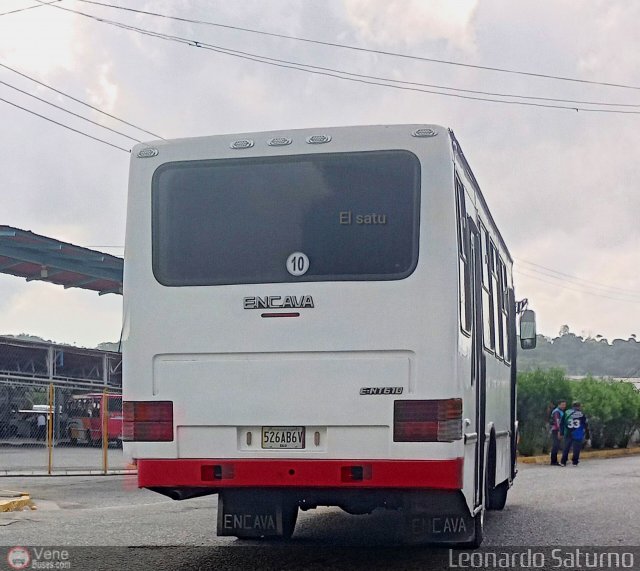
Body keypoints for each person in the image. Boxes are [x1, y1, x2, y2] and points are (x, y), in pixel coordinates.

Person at [561, 401, 589, 466]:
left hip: (568, 432)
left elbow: (562, 423)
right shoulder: (581, 414)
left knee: (566, 447)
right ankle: (575, 462)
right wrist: (587, 435)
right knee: (576, 448)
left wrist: (562, 432)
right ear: (579, 406)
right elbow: (585, 424)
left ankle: (563, 462)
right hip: (578, 433)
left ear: (572, 406)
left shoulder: (567, 412)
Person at [549, 399, 567, 465]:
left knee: (557, 446)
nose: (564, 406)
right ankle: (553, 461)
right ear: (559, 404)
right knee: (555, 446)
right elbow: (557, 423)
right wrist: (559, 431)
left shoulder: (561, 411)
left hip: (559, 430)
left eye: (565, 405)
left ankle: (555, 460)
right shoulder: (557, 412)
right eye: (562, 405)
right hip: (556, 430)